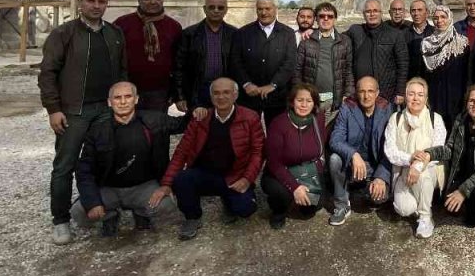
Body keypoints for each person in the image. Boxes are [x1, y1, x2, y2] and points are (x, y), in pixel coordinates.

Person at [38, 0, 127, 246]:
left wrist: (121, 103)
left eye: (101, 2)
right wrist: (53, 109)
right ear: (81, 3)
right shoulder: (63, 34)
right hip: (74, 111)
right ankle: (61, 220)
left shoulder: (114, 34)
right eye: (91, 1)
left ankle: (102, 210)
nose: (96, 6)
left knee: (105, 161)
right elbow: (47, 74)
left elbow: (122, 72)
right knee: (65, 165)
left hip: (105, 110)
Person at [151, 78, 265, 240]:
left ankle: (228, 200)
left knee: (246, 209)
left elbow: (258, 152)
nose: (221, 97)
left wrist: (247, 179)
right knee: (182, 179)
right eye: (216, 93)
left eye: (226, 92)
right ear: (211, 97)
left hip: (234, 175)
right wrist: (166, 184)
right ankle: (192, 217)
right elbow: (181, 151)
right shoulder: (200, 118)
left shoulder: (250, 117)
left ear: (235, 95)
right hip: (205, 173)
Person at [71, 82, 173, 236]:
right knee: (79, 213)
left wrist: (201, 110)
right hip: (109, 188)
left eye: (128, 96)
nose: (123, 102)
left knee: (167, 206)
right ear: (109, 102)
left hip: (143, 187)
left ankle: (141, 213)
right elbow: (84, 170)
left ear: (136, 99)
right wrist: (93, 203)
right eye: (117, 97)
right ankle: (110, 216)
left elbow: (187, 124)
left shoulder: (154, 121)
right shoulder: (98, 130)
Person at [412, 83, 475, 239]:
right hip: (466, 175)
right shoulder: (461, 120)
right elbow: (449, 149)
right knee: (452, 208)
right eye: (471, 101)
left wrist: (462, 191)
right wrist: (429, 154)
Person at [383, 78, 447, 238]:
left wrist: (417, 165)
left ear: (426, 98)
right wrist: (411, 158)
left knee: (422, 175)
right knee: (404, 209)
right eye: (411, 94)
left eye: (420, 95)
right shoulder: (396, 118)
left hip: (428, 170)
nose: (416, 98)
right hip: (403, 170)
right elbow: (390, 150)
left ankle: (426, 217)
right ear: (405, 97)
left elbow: (437, 150)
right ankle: (419, 202)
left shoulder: (435, 119)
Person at [327, 76, 393, 225]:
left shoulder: (386, 108)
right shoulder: (347, 107)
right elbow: (335, 139)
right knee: (334, 159)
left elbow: (391, 147)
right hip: (353, 163)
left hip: (375, 165)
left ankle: (364, 187)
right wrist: (353, 155)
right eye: (362, 91)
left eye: (370, 91)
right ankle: (342, 205)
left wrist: (381, 177)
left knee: (378, 200)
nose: (366, 95)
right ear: (356, 93)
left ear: (377, 93)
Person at [261, 83, 329, 229]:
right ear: (292, 102)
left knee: (312, 209)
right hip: (280, 171)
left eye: (309, 101)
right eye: (300, 100)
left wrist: (314, 178)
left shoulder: (318, 120)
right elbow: (273, 162)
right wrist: (295, 187)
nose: (304, 105)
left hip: (306, 170)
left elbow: (319, 152)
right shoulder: (279, 123)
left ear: (315, 104)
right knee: (281, 193)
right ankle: (278, 211)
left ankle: (301, 198)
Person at [231, 0, 297, 125]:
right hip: (248, 96)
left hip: (276, 97)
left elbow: (289, 63)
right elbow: (235, 61)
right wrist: (246, 84)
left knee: (276, 135)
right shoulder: (243, 33)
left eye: (268, 8)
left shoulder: (287, 33)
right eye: (260, 9)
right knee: (247, 134)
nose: (263, 12)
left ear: (275, 9)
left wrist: (273, 85)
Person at [112, 0, 182, 110]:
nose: (153, 2)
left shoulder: (173, 26)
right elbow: (113, 57)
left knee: (156, 128)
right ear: (139, 0)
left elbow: (179, 62)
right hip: (127, 90)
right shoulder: (122, 24)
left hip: (160, 91)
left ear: (163, 0)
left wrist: (176, 92)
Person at [171, 0, 236, 116]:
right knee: (197, 129)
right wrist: (179, 96)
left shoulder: (235, 34)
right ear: (204, 9)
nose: (216, 11)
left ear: (226, 10)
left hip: (225, 90)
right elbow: (178, 67)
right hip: (197, 90)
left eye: (220, 7)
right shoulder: (189, 34)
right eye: (211, 7)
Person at [295, 1, 354, 126]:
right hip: (311, 100)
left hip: (334, 100)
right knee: (311, 134)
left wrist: (347, 94)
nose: (326, 19)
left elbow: (348, 70)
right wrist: (299, 94)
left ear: (335, 19)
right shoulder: (306, 41)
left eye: (330, 16)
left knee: (329, 134)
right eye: (322, 16)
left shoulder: (345, 41)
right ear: (316, 19)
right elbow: (297, 70)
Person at [347, 0, 408, 106]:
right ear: (363, 14)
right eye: (368, 11)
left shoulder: (395, 34)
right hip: (360, 93)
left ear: (381, 13)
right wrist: (311, 31)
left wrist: (400, 92)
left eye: (375, 11)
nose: (372, 14)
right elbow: (336, 38)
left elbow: (403, 65)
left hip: (385, 94)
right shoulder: (355, 30)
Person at [417, 3, 470, 127]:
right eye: (436, 18)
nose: (439, 21)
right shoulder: (426, 44)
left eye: (443, 17)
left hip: (455, 96)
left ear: (450, 18)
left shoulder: (461, 43)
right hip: (434, 95)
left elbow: (466, 72)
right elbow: (422, 73)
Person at [405, 0, 435, 79]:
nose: (416, 13)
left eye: (419, 10)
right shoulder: (403, 34)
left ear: (427, 13)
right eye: (413, 10)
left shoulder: (435, 33)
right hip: (410, 80)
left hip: (430, 80)